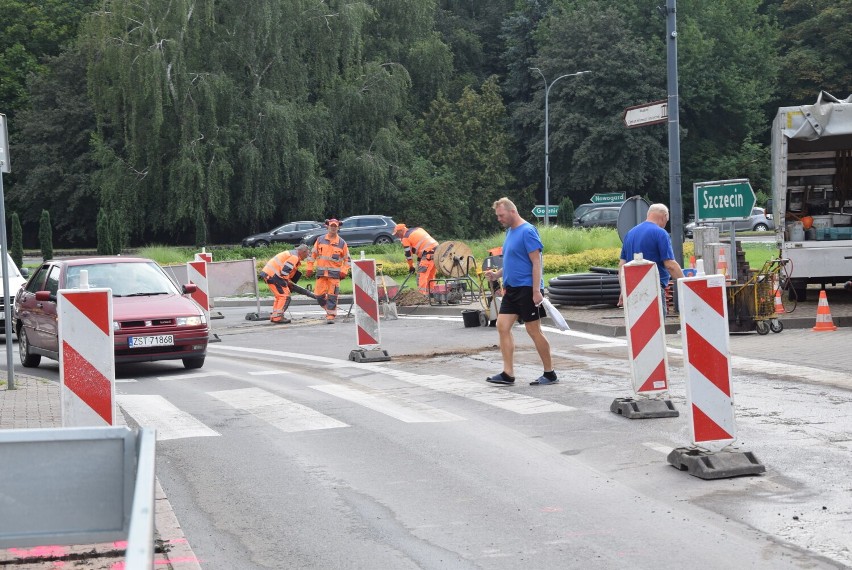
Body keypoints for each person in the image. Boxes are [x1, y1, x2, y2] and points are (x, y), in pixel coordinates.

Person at [485, 197, 558, 386]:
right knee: (502, 326)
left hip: (527, 288)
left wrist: (536, 291)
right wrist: (497, 274)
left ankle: (550, 374)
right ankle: (508, 374)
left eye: (501, 215)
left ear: (512, 212)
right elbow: (513, 260)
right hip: (512, 289)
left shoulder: (527, 231)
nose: (499, 219)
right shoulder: (510, 231)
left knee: (533, 330)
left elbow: (536, 262)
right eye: (498, 216)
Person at [618, 203, 685, 314]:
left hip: (632, 288)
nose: (665, 224)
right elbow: (670, 265)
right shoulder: (660, 233)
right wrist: (685, 284)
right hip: (653, 288)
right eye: (666, 221)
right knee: (656, 326)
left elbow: (622, 265)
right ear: (664, 216)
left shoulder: (630, 234)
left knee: (639, 328)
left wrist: (623, 290)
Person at [306, 218, 350, 324]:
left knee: (332, 295)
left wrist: (344, 270)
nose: (333, 228)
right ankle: (329, 309)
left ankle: (331, 314)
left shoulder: (342, 243)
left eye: (335, 226)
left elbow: (347, 259)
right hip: (321, 274)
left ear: (338, 228)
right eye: (332, 226)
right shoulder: (320, 240)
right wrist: (309, 267)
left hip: (334, 275)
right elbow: (312, 255)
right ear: (328, 227)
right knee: (318, 295)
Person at [260, 244, 310, 324]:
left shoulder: (291, 254)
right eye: (307, 254)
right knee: (285, 296)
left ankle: (275, 316)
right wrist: (286, 282)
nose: (307, 256)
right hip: (275, 276)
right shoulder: (294, 257)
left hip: (270, 274)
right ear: (303, 252)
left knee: (279, 296)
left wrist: (287, 281)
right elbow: (285, 271)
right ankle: (278, 317)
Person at [393, 223, 439, 295]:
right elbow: (422, 246)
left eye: (397, 234)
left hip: (428, 254)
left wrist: (411, 266)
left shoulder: (406, 238)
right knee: (430, 274)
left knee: (422, 274)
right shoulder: (418, 229)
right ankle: (432, 294)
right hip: (437, 251)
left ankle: (421, 295)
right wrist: (419, 259)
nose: (398, 236)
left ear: (401, 231)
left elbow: (408, 255)